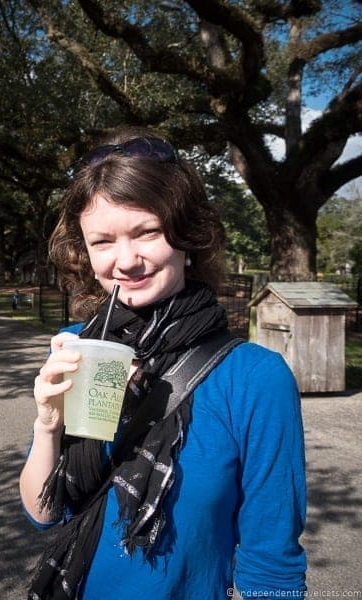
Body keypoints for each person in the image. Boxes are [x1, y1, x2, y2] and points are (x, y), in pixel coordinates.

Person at [19, 127, 306, 600]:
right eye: (102, 241)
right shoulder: (76, 345)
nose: (126, 260)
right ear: (84, 253)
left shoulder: (253, 378)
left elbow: (272, 562)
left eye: (147, 231)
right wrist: (48, 424)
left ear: (186, 236)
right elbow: (45, 514)